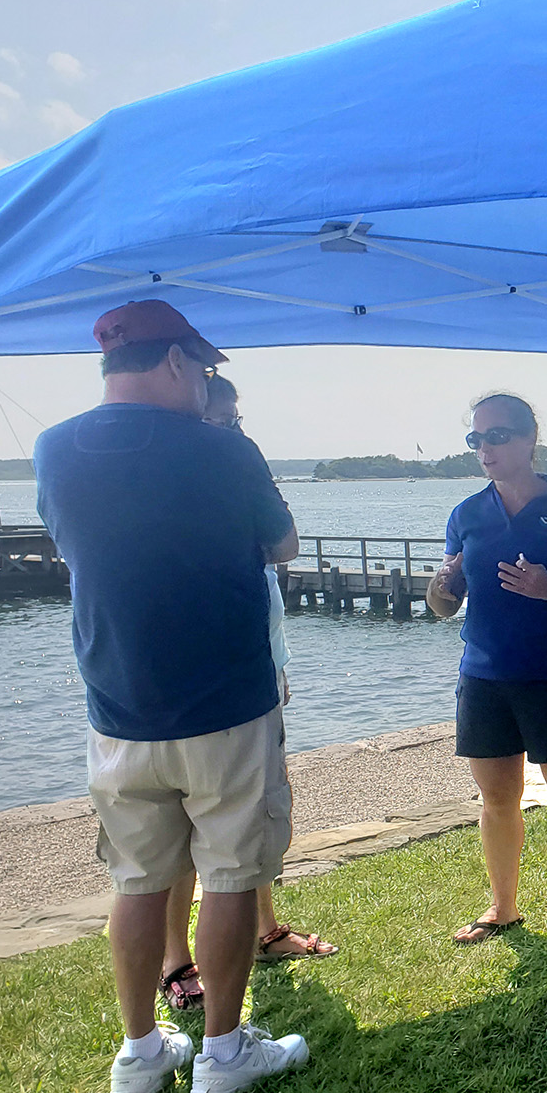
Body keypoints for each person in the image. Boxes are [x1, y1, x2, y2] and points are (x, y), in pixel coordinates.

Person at [34, 299, 309, 1093]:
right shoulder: (224, 450)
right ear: (176, 362)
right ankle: (224, 1052)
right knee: (229, 874)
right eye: (204, 368)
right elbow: (283, 544)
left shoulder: (53, 449)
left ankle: (139, 1054)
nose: (205, 382)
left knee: (138, 880)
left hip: (117, 708)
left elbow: (68, 545)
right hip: (226, 700)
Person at [157, 373, 334, 1017]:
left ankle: (263, 928)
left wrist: (276, 663)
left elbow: (276, 554)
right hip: (189, 690)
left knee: (255, 818)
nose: (229, 430)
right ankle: (178, 960)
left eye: (235, 419)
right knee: (184, 829)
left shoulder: (236, 463)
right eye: (218, 418)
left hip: (256, 665)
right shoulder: (172, 474)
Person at [426, 393, 547, 952]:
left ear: (531, 440)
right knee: (496, 798)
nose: (486, 448)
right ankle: (502, 908)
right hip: (483, 677)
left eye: (498, 436)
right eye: (476, 439)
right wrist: (439, 586)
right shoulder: (467, 513)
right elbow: (442, 606)